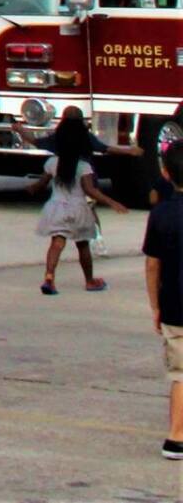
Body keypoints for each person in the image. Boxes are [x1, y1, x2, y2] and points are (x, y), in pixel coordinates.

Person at [32, 106, 128, 294]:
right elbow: (91, 191)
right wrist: (112, 202)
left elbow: (41, 183)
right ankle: (90, 281)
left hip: (56, 209)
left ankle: (49, 278)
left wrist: (32, 188)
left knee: (57, 243)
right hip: (78, 209)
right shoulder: (84, 166)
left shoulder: (52, 163)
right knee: (83, 245)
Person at [140, 140, 183, 460]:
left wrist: (155, 305)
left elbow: (153, 264)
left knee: (181, 374)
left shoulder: (160, 214)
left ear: (166, 173)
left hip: (175, 305)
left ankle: (175, 437)